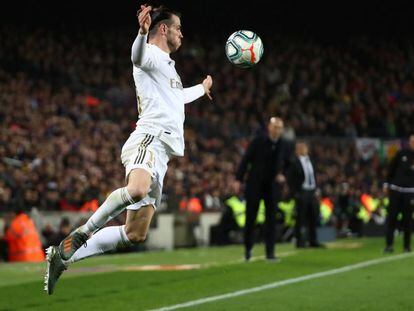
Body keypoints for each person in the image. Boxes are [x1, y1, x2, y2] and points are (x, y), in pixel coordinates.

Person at [44, 4, 213, 295]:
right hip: (148, 138)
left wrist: (201, 87)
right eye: (178, 28)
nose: (182, 35)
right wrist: (140, 32)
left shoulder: (168, 67)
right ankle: (83, 232)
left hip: (162, 155)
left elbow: (177, 98)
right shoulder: (149, 54)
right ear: (164, 29)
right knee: (136, 189)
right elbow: (137, 57)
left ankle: (63, 255)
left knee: (135, 233)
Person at [233, 117, 289, 261]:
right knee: (250, 217)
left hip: (271, 186)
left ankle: (270, 253)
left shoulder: (283, 144)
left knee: (271, 219)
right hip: (254, 184)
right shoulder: (258, 141)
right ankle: (248, 249)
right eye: (275, 126)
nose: (277, 130)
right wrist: (238, 179)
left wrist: (283, 175)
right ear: (269, 127)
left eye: (280, 127)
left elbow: (289, 164)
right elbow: (246, 159)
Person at [287, 141, 323, 248]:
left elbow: (313, 176)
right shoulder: (294, 162)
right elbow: (291, 179)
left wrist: (316, 189)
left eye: (304, 147)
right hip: (302, 192)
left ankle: (313, 240)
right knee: (300, 218)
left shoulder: (310, 161)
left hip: (311, 192)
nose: (303, 149)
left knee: (313, 217)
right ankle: (300, 242)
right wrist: (295, 193)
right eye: (300, 148)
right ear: (297, 150)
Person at [383, 134, 414, 253]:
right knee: (392, 218)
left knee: (408, 220)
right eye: (411, 141)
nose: (413, 143)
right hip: (396, 190)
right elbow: (391, 168)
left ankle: (407, 246)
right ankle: (389, 245)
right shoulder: (401, 153)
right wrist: (386, 184)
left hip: (410, 192)